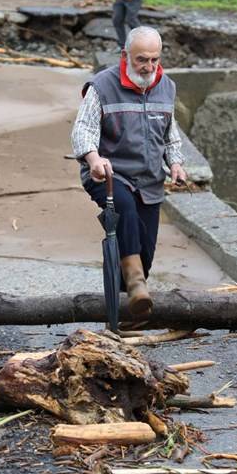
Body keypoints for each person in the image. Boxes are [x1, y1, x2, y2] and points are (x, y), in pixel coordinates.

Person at [71, 26, 186, 322]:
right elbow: (83, 128)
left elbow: (170, 133)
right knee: (124, 210)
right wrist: (93, 158)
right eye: (141, 60)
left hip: (149, 179)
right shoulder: (102, 86)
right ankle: (135, 282)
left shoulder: (166, 86)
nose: (149, 67)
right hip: (110, 174)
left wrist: (175, 163)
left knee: (144, 248)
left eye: (154, 60)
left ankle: (128, 314)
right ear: (125, 56)